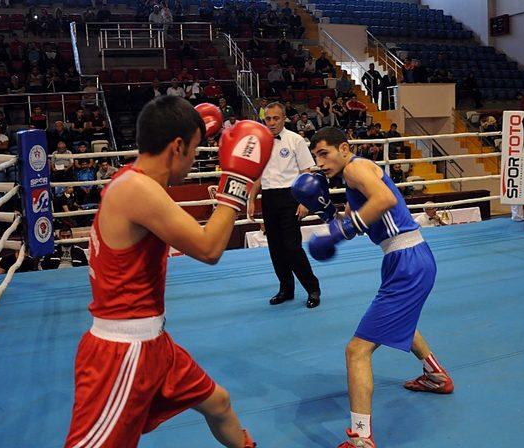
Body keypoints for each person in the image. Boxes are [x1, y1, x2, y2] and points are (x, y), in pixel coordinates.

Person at [64, 96, 273, 448]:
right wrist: (236, 180)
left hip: (155, 343)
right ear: (176, 146)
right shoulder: (137, 190)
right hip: (122, 352)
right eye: (193, 150)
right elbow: (209, 248)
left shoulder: (137, 180)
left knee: (218, 402)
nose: (194, 160)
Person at [292, 127, 454, 447]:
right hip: (407, 260)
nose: (319, 162)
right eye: (315, 156)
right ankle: (435, 374)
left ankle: (361, 439)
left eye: (324, 153)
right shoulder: (353, 180)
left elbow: (385, 199)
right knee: (400, 321)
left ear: (344, 148)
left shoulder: (355, 168)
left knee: (357, 351)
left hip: (407, 261)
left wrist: (339, 231)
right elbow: (354, 225)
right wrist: (327, 212)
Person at [247, 101, 321, 309]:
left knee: (292, 247)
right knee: (276, 248)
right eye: (268, 118)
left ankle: (312, 288)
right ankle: (286, 289)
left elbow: (307, 172)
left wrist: (305, 202)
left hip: (291, 196)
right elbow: (258, 175)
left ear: (284, 118)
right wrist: (252, 199)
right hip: (269, 198)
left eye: (275, 118)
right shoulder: (260, 142)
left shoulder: (295, 140)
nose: (271, 122)